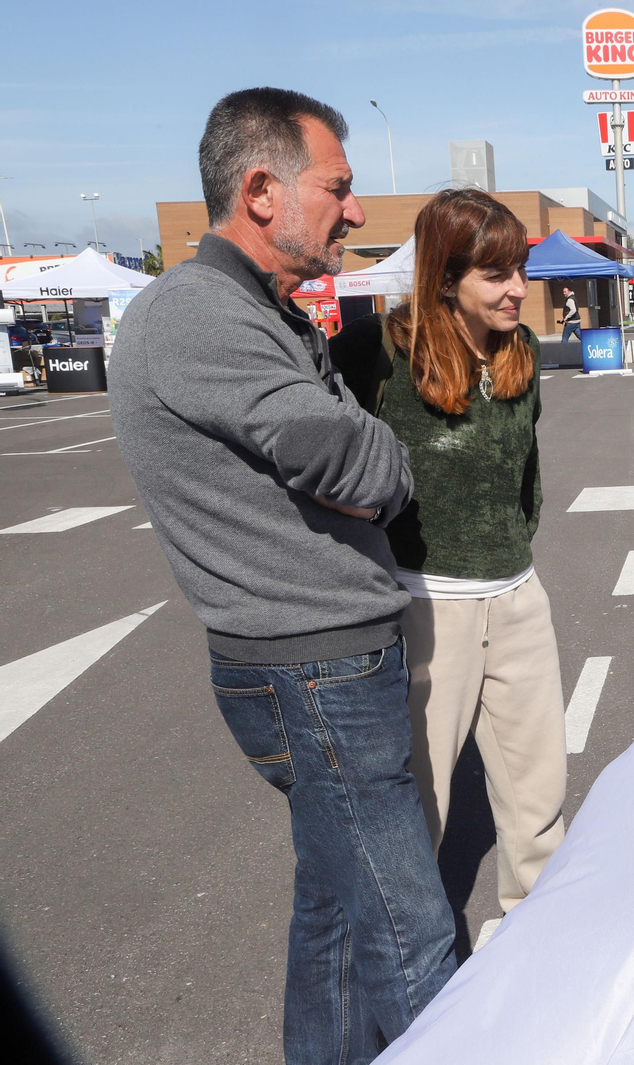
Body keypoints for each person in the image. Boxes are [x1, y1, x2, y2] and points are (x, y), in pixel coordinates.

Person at [107, 87, 455, 1063]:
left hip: (322, 667)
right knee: (411, 941)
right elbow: (359, 464)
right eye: (339, 188)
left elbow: (352, 457)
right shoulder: (198, 317)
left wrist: (367, 455)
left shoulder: (246, 310)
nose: (356, 210)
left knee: (339, 920)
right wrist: (378, 458)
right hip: (319, 674)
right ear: (262, 190)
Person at [330, 188, 568, 918]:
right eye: (496, 275)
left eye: (520, 270)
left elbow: (525, 475)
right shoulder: (375, 350)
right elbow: (314, 452)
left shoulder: (521, 352)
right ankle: (415, 983)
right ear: (445, 278)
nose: (519, 291)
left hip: (520, 598)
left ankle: (536, 951)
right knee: (420, 807)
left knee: (539, 805)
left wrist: (518, 543)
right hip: (427, 608)